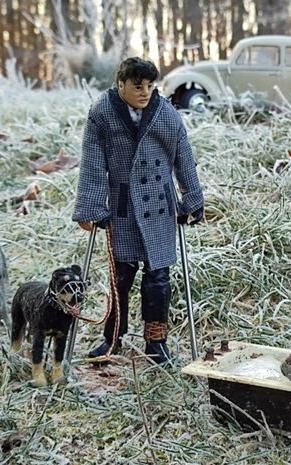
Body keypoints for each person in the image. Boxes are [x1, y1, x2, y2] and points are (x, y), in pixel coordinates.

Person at [72, 57, 204, 362]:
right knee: (120, 277)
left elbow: (183, 156)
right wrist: (90, 207)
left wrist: (192, 199)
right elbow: (93, 163)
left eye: (149, 86)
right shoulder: (102, 113)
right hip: (123, 207)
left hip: (160, 205)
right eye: (137, 86)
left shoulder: (166, 113)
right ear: (121, 84)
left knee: (158, 278)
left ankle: (156, 342)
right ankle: (113, 337)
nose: (145, 92)